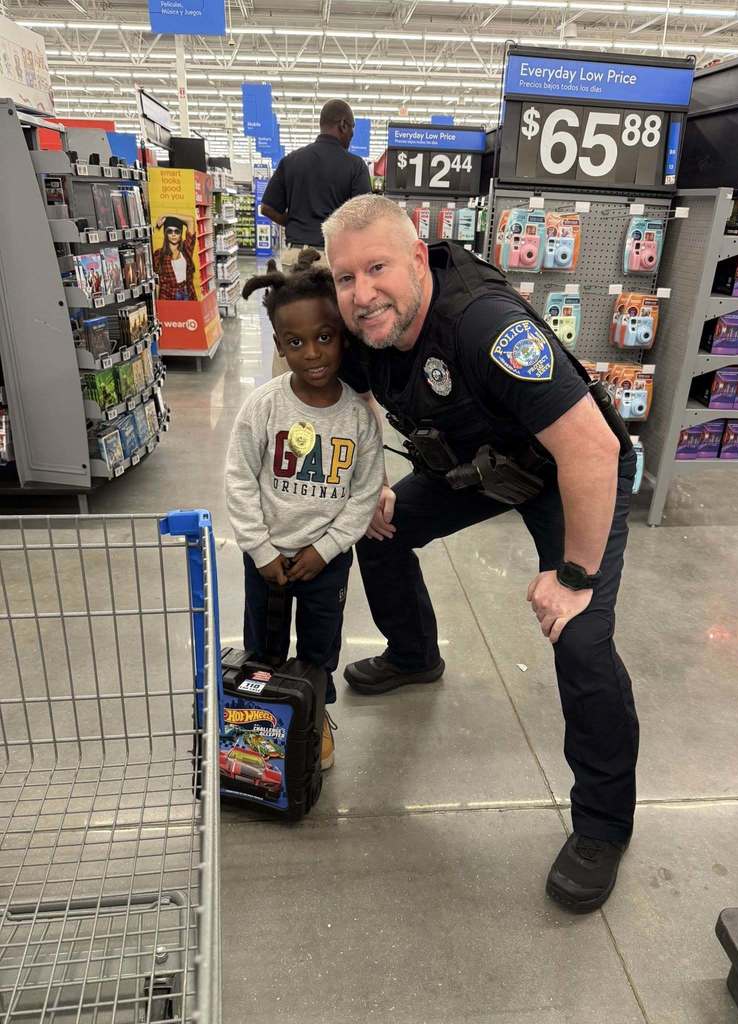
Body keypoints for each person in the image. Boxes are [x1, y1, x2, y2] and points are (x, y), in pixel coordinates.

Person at [322, 195, 639, 914]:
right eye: (346, 278)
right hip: (475, 464)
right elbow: (357, 404)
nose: (362, 293)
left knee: (582, 638)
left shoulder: (484, 326)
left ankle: (603, 825)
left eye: (377, 268)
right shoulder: (369, 326)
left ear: (416, 257)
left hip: (567, 474)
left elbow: (591, 448)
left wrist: (575, 576)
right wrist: (372, 481)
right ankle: (413, 653)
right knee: (382, 529)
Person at [227, 250, 384, 770]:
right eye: (295, 343)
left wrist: (327, 548)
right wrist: (260, 549)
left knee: (319, 649)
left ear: (343, 334)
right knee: (263, 648)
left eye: (325, 337)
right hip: (267, 560)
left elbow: (363, 494)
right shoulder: (263, 407)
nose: (313, 353)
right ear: (278, 346)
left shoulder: (359, 418)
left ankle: (316, 719)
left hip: (327, 562)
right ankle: (258, 723)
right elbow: (240, 480)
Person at [260, 99, 372, 377]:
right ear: (343, 125)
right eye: (352, 129)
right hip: (333, 262)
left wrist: (293, 221)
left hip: (294, 259)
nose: (351, 136)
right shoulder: (354, 165)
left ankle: (284, 390)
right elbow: (364, 217)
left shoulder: (292, 160)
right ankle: (335, 386)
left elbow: (267, 207)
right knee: (334, 327)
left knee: (289, 323)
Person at [153, 214, 199, 302]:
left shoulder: (186, 249)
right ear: (165, 234)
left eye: (177, 231)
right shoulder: (159, 254)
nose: (173, 235)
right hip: (167, 295)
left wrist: (166, 214)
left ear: (181, 233)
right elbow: (157, 281)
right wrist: (157, 303)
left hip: (187, 292)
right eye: (170, 231)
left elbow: (190, 220)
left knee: (189, 316)